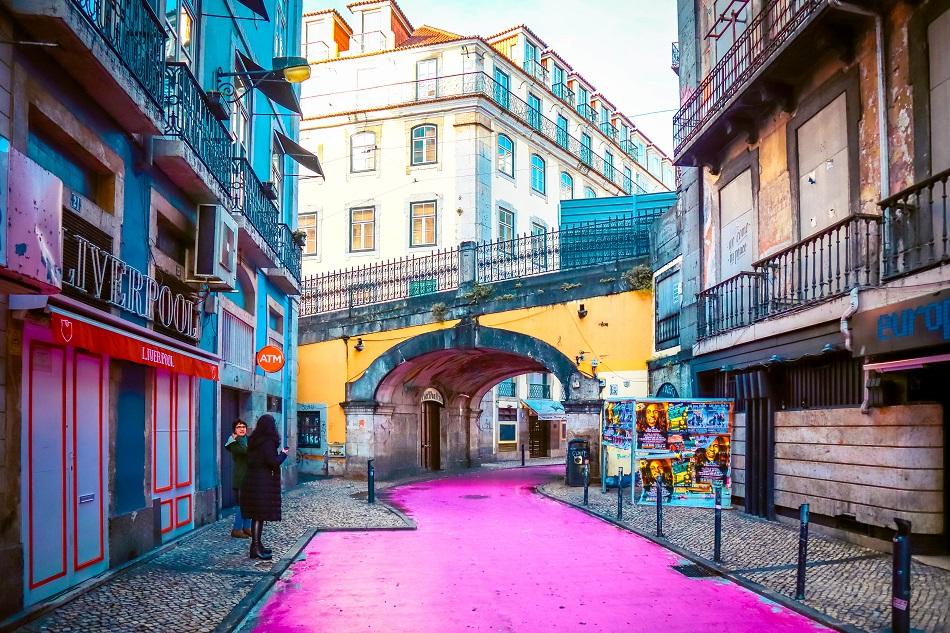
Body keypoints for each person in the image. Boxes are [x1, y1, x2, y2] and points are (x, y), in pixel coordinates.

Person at [240, 414, 288, 560]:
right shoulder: (267, 442)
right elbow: (272, 462)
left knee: (257, 516)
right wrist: (283, 454)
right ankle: (255, 547)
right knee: (258, 516)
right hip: (261, 483)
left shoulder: (254, 440)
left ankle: (257, 545)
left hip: (252, 481)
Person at [225, 420, 252, 538]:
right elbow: (245, 451)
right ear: (234, 430)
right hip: (241, 477)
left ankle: (247, 527)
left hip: (251, 477)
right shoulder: (233, 442)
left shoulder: (249, 440)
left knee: (250, 504)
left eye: (244, 426)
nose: (242, 428)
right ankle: (236, 529)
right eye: (238, 427)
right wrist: (238, 439)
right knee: (242, 504)